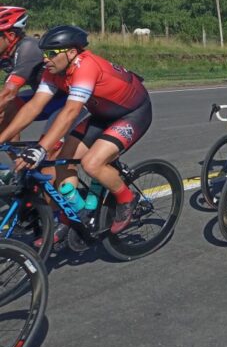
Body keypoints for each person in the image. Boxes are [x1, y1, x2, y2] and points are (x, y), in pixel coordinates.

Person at [0, 25, 152, 235]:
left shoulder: (86, 67)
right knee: (62, 163)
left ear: (72, 52)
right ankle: (80, 215)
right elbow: (34, 106)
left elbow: (71, 111)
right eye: (45, 54)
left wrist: (40, 148)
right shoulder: (52, 71)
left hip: (132, 114)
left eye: (52, 54)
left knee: (91, 164)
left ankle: (128, 199)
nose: (46, 59)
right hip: (101, 115)